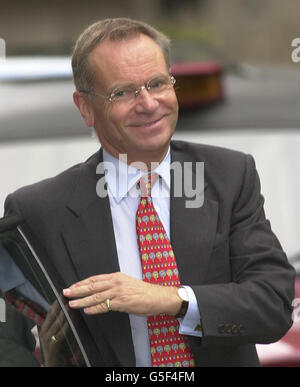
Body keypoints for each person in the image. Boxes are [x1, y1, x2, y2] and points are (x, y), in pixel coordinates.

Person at [4, 18, 295, 367]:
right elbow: (11, 345)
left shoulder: (229, 176)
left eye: (157, 83)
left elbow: (274, 304)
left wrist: (168, 299)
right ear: (84, 107)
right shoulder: (38, 210)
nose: (148, 103)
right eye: (122, 92)